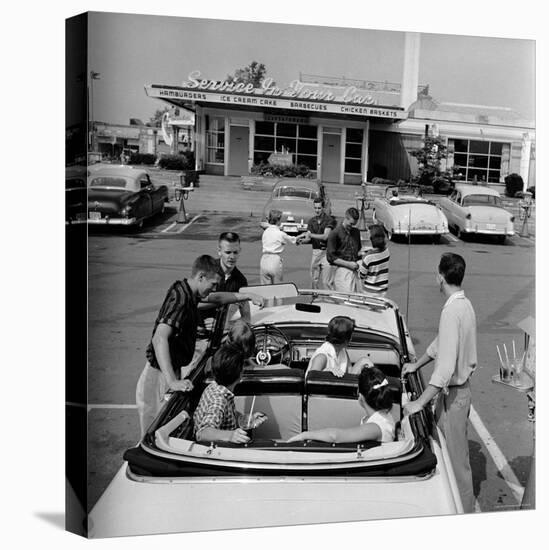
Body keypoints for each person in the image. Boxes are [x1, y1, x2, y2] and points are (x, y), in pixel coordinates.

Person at [402, 252, 477, 513]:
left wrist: (419, 403)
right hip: (456, 393)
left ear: (440, 277)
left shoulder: (451, 311)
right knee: (449, 456)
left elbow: (444, 369)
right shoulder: (463, 305)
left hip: (454, 395)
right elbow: (439, 343)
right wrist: (417, 364)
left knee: (456, 465)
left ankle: (463, 514)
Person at [136, 255, 222, 437]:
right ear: (201, 277)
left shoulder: (188, 293)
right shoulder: (181, 299)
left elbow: (217, 298)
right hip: (158, 375)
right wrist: (172, 381)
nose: (213, 289)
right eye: (212, 284)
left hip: (168, 370)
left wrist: (245, 295)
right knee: (154, 434)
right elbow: (159, 338)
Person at [287, 366, 395, 443]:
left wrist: (305, 435)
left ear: (360, 396)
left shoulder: (375, 428)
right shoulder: (384, 415)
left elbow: (334, 436)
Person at [193, 343, 267, 443]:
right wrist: (230, 435)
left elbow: (227, 417)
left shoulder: (214, 387)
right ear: (240, 374)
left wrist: (247, 419)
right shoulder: (219, 401)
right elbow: (202, 433)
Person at [199, 232, 263, 325]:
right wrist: (225, 300)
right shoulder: (207, 270)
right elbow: (195, 303)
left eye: (235, 252)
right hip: (199, 329)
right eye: (228, 252)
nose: (232, 257)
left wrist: (232, 326)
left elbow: (246, 316)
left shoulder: (240, 280)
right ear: (219, 251)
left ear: (239, 251)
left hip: (221, 330)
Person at [306, 316, 372, 377]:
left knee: (364, 361)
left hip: (341, 386)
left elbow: (350, 374)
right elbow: (311, 379)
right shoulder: (322, 356)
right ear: (346, 339)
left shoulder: (343, 351)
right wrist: (327, 372)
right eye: (351, 335)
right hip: (325, 388)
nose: (352, 338)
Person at [296, 198, 336, 289]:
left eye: (319, 208)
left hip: (326, 253)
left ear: (323, 208)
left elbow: (325, 236)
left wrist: (310, 235)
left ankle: (329, 299)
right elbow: (308, 238)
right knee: (314, 280)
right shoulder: (311, 221)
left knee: (327, 282)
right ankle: (314, 298)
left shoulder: (329, 220)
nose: (317, 210)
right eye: (315, 208)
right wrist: (302, 241)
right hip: (316, 252)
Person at [326, 207, 362, 293]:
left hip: (355, 271)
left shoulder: (356, 232)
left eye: (354, 224)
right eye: (351, 224)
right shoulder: (335, 233)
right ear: (345, 218)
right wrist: (348, 264)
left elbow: (358, 250)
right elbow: (331, 257)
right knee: (345, 300)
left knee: (357, 300)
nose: (352, 226)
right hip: (341, 271)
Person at [260, 209, 297, 284]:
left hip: (264, 260)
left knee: (264, 288)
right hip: (274, 260)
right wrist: (302, 237)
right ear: (278, 221)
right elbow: (293, 240)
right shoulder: (280, 234)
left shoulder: (265, 232)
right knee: (277, 288)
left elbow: (262, 224)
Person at [358, 224, 390, 297]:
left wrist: (359, 265)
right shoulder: (387, 251)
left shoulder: (368, 257)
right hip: (383, 290)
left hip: (370, 291)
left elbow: (361, 275)